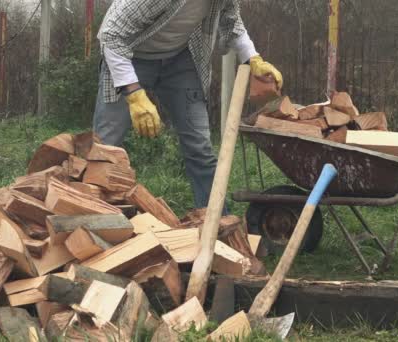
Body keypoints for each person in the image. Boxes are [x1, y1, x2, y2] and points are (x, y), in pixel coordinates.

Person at [93, 0, 283, 209]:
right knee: (105, 146)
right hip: (129, 57)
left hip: (179, 59)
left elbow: (232, 22)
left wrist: (253, 58)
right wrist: (135, 95)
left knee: (200, 147)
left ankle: (216, 225)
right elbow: (110, 35)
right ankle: (89, 216)